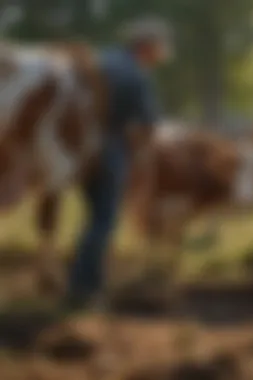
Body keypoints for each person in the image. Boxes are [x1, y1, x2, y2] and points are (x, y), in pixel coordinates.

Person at [64, 16, 173, 311]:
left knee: (92, 220)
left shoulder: (101, 61)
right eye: (158, 50)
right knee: (104, 221)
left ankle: (85, 281)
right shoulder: (135, 74)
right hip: (111, 148)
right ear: (147, 47)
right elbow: (148, 124)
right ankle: (84, 289)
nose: (158, 56)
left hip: (80, 149)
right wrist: (143, 157)